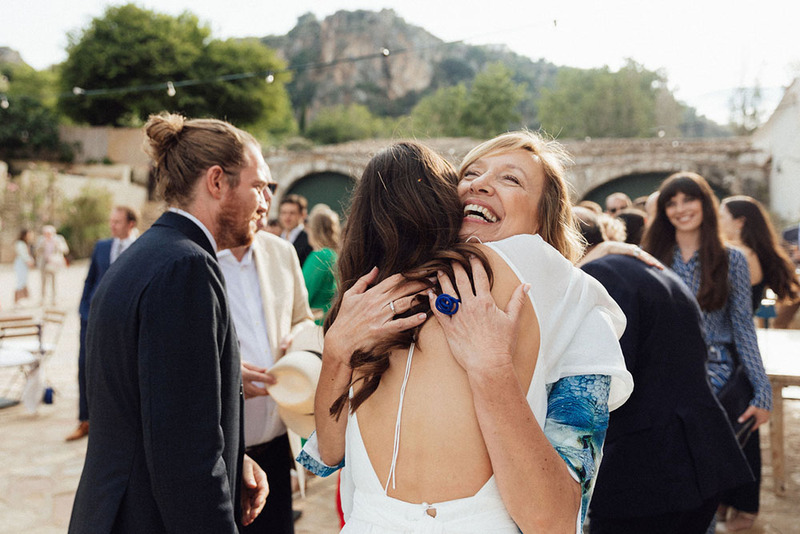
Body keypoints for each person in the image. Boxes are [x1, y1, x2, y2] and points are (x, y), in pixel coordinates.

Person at [300, 136, 632, 533]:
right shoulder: (390, 292)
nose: (479, 184)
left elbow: (557, 521)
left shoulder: (574, 307)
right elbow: (331, 451)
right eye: (470, 173)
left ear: (543, 219)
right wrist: (336, 351)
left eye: (511, 179)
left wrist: (491, 370)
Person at [68, 113, 268, 533]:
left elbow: (157, 414)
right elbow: (184, 456)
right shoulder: (187, 269)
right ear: (217, 181)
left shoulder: (146, 256)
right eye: (258, 186)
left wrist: (234, 460)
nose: (265, 203)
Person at [575, 207, 751, 534]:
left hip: (647, 472)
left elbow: (604, 384)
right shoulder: (647, 268)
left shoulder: (598, 279)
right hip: (695, 457)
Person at [641, 172, 772, 532]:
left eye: (688, 199)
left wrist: (763, 390)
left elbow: (744, 326)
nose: (681, 209)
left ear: (705, 203)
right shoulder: (650, 256)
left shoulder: (733, 259)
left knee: (700, 463)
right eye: (672, 202)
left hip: (713, 368)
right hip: (658, 367)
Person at [219, 206, 316, 534]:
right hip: (223, 452)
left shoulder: (281, 251)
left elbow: (303, 317)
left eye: (268, 187)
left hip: (277, 442)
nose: (264, 199)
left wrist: (299, 336)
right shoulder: (198, 258)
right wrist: (229, 376)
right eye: (257, 186)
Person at [716, 196, 799, 530]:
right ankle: (728, 501)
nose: (718, 220)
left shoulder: (744, 257)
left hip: (737, 350)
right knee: (735, 428)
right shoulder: (745, 252)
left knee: (742, 431)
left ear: (740, 221)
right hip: (736, 346)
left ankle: (747, 509)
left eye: (723, 215)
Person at [66, 206, 138, 442]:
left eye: (117, 222)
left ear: (130, 224)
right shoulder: (102, 247)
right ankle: (85, 419)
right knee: (85, 365)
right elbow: (90, 280)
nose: (112, 225)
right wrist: (84, 311)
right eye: (111, 221)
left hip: (125, 323)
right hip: (92, 320)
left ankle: (121, 424)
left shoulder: (142, 248)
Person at [302, 204, 340, 325]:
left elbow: (303, 295)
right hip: (328, 318)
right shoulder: (332, 254)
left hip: (315, 322)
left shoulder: (319, 256)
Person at [35, 224, 69, 306]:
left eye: (49, 233)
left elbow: (65, 250)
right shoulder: (41, 240)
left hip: (55, 263)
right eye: (45, 233)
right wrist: (42, 244)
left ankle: (54, 299)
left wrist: (57, 245)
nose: (47, 235)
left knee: (55, 281)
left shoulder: (59, 239)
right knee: (43, 282)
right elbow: (36, 251)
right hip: (44, 263)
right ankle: (43, 299)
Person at [279, 194, 313, 266]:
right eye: (284, 213)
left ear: (303, 215)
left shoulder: (309, 240)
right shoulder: (278, 238)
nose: (287, 217)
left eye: (292, 213)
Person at [13, 229, 35, 306]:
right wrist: (29, 261)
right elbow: (23, 254)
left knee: (24, 281)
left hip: (23, 264)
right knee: (21, 282)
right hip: (21, 264)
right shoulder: (20, 243)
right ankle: (17, 300)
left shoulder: (24, 243)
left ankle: (23, 299)